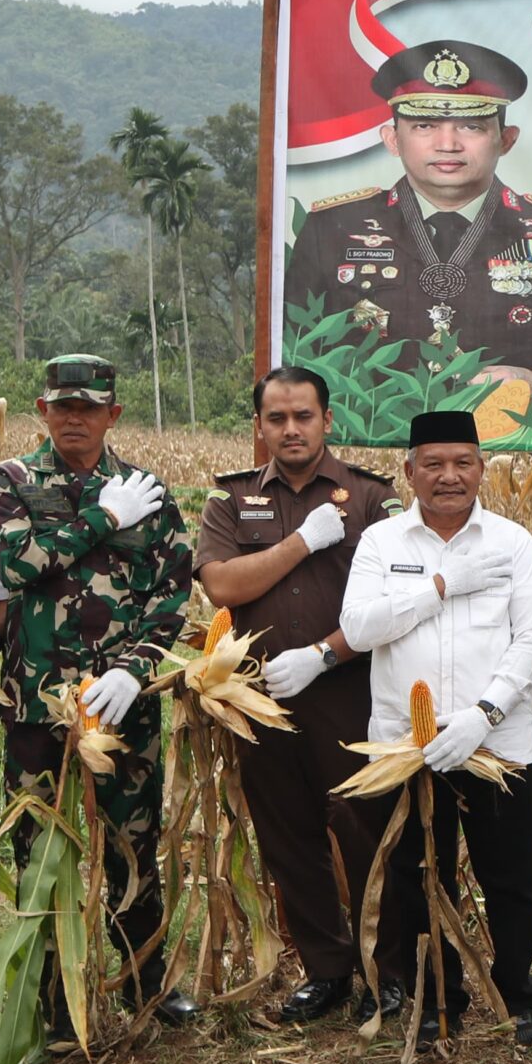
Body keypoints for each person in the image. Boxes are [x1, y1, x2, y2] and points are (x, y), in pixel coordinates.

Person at [0, 355, 197, 1032]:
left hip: (121, 703)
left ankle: (145, 984)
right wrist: (101, 518)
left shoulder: (148, 490)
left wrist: (135, 667)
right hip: (37, 704)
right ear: (42, 411)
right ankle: (46, 996)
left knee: (135, 839)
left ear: (113, 414)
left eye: (88, 407)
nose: (74, 419)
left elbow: (171, 592)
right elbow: (18, 565)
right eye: (62, 407)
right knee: (40, 845)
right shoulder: (10, 482)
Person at [339, 409, 532, 1046]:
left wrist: (483, 713)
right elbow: (359, 629)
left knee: (511, 878)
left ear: (483, 469)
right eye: (432, 464)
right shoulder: (383, 545)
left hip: (498, 743)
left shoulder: (512, 542)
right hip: (405, 747)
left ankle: (517, 994)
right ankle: (440, 998)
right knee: (416, 877)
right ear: (409, 471)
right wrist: (438, 586)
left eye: (462, 462)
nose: (449, 476)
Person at [195, 367, 403, 1024]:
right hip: (259, 702)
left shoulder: (368, 497)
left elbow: (395, 596)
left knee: (367, 831)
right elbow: (223, 586)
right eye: (276, 418)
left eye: (303, 416)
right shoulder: (230, 502)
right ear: (259, 425)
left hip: (351, 694)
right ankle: (327, 969)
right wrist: (300, 543)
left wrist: (325, 655)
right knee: (290, 840)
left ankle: (387, 968)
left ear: (327, 420)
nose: (290, 429)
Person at [283, 39, 532, 400]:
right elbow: (293, 341)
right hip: (374, 438)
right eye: (424, 126)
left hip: (520, 442)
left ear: (507, 139)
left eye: (471, 126)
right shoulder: (333, 229)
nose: (448, 144)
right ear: (392, 138)